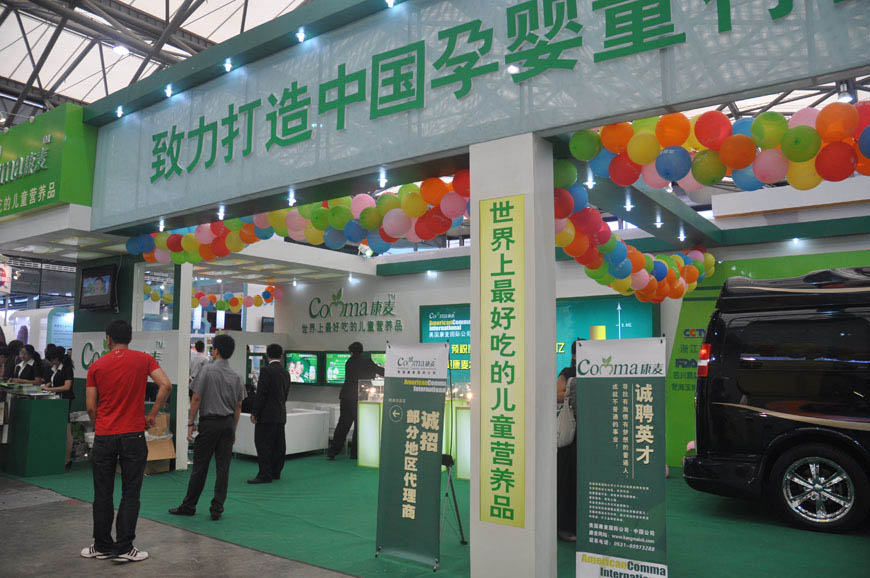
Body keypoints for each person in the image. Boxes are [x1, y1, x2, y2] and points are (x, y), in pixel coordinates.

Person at [81, 319, 172, 563]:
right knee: (130, 492)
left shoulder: (96, 366)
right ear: (130, 338)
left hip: (104, 435)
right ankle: (124, 548)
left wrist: (101, 424)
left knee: (102, 492)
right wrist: (151, 415)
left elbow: (90, 407)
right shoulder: (144, 360)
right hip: (133, 434)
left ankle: (101, 545)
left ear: (108, 339)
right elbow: (165, 385)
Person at [170, 333, 245, 520]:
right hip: (227, 424)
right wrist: (234, 429)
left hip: (209, 424)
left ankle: (189, 505)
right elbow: (238, 406)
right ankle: (217, 508)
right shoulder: (237, 376)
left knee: (200, 466)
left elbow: (196, 398)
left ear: (216, 351)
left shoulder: (207, 371)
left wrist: (190, 422)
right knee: (223, 468)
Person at [327, 342, 383, 460]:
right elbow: (379, 371)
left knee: (343, 424)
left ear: (351, 352)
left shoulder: (349, 361)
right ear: (362, 351)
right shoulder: (366, 360)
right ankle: (355, 453)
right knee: (360, 425)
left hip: (346, 396)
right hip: (360, 396)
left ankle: (333, 451)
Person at [248, 343, 292, 484]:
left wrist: (255, 412)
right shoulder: (285, 372)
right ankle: (275, 472)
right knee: (278, 445)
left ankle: (264, 474)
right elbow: (285, 394)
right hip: (280, 414)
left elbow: (262, 394)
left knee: (263, 445)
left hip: (266, 416)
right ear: (281, 355)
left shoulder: (266, 371)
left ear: (267, 355)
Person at [556, 339, 581, 543]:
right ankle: (564, 526)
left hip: (588, 435)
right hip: (570, 437)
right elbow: (557, 395)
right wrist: (572, 390)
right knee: (568, 481)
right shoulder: (567, 372)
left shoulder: (594, 372)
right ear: (574, 355)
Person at [41, 345, 76, 468]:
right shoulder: (55, 368)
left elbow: (67, 387)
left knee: (66, 429)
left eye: (51, 359)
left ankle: (67, 459)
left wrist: (49, 389)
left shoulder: (67, 369)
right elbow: (56, 381)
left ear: (56, 358)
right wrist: (49, 385)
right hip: (55, 401)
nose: (50, 362)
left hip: (64, 401)